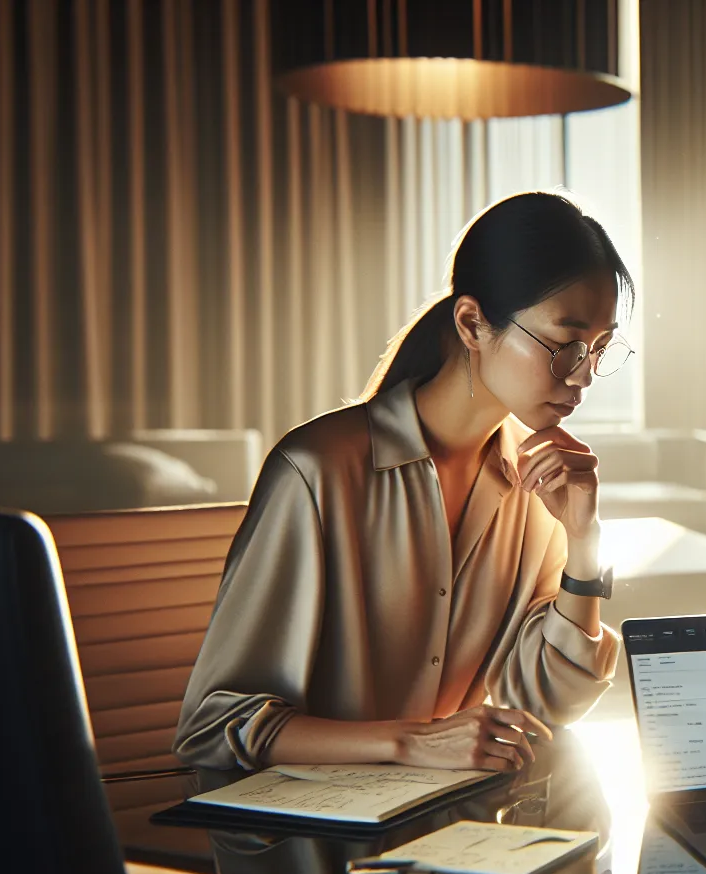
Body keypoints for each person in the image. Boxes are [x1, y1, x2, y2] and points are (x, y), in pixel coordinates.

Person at [173, 191, 631, 772]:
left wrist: (585, 548)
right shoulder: (317, 471)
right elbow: (215, 727)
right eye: (564, 345)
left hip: (452, 829)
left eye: (598, 350)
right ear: (472, 323)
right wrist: (411, 742)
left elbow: (550, 704)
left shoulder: (542, 489)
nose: (583, 376)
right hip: (302, 840)